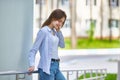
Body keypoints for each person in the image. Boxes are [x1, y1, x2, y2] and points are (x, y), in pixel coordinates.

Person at [28, 9, 67, 80]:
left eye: (62, 22)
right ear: (53, 18)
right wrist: (32, 64)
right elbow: (33, 50)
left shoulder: (55, 32)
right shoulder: (44, 31)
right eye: (59, 21)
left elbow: (62, 45)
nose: (60, 24)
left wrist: (59, 31)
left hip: (56, 65)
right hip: (47, 67)